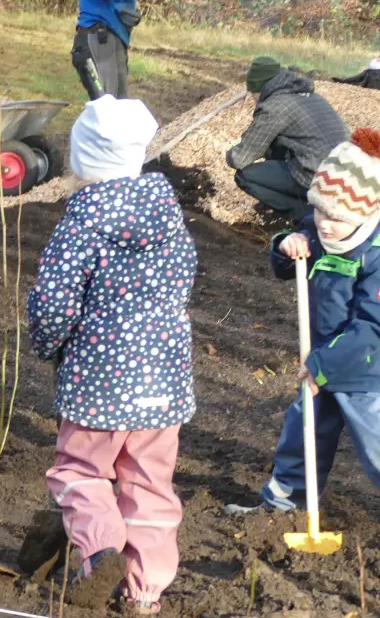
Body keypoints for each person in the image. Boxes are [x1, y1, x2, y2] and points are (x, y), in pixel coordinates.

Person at [25, 96, 196, 615]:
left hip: (99, 381)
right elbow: (183, 281)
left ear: (83, 160)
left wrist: (47, 342)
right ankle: (144, 591)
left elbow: (54, 299)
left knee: (79, 469)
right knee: (150, 484)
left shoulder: (82, 222)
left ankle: (99, 546)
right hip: (163, 380)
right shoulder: (169, 215)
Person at [229, 130, 380, 517]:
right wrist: (288, 243)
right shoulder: (318, 232)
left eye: (338, 216)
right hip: (320, 365)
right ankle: (282, 504)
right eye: (320, 210)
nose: (326, 223)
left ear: (367, 212)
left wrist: (323, 365)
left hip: (366, 373)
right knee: (302, 436)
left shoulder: (376, 257)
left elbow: (372, 328)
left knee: (376, 447)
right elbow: (292, 255)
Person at [228, 57, 348, 219]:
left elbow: (240, 159)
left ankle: (305, 215)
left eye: (252, 93)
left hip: (319, 179)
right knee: (278, 147)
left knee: (244, 176)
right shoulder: (313, 97)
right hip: (347, 177)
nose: (252, 98)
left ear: (259, 88)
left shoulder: (275, 106)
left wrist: (229, 155)